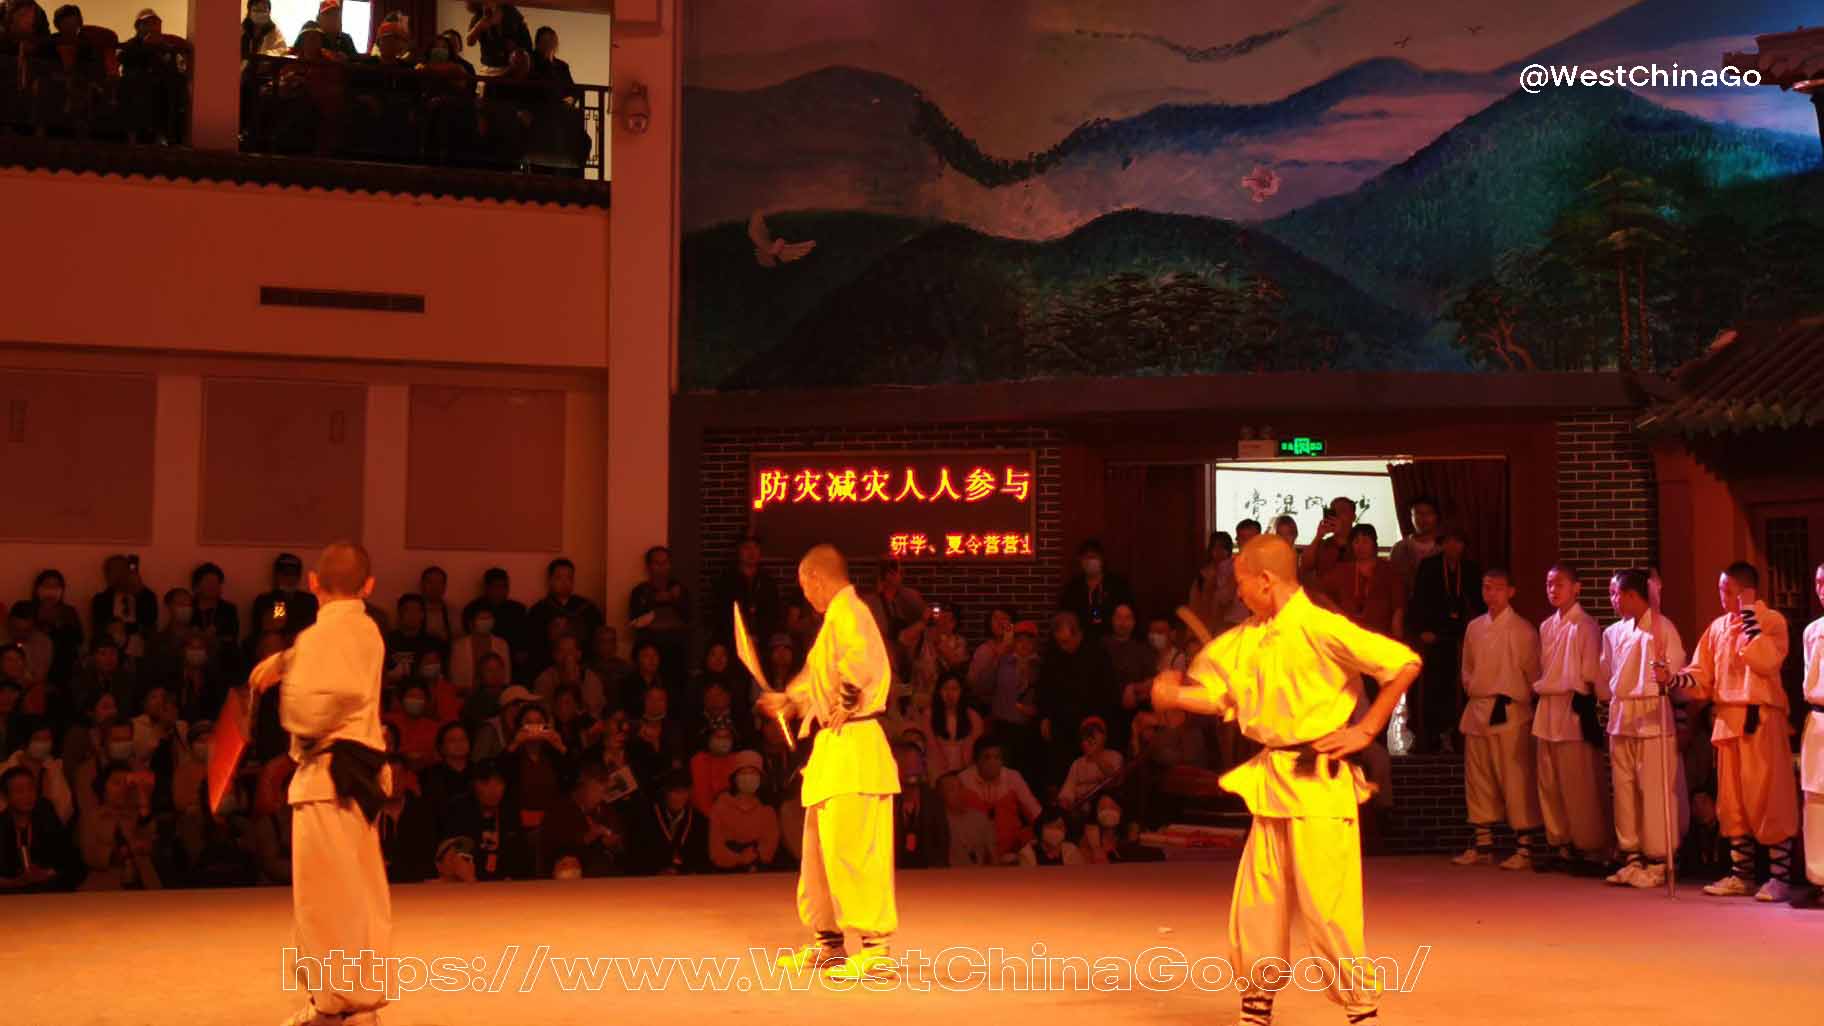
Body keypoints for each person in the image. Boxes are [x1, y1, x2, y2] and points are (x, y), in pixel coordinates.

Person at [1150, 534, 1421, 1026]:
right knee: (1258, 901)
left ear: (1266, 580)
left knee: (1327, 907)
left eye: (1241, 584)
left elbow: (1404, 662)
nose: (1238, 594)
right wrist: (1172, 695)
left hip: (1318, 779)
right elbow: (1218, 696)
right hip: (1273, 778)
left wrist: (1366, 727)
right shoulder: (1249, 636)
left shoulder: (1319, 626)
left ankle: (1362, 1009)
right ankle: (1256, 1007)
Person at [246, 543, 391, 1025]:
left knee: (325, 901)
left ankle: (336, 1005)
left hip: (329, 777)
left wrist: (292, 670)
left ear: (312, 582)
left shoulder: (319, 637)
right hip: (355, 779)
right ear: (368, 586)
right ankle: (354, 1001)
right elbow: (333, 651)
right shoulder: (365, 630)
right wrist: (289, 659)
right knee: (354, 894)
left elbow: (308, 709)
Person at [757, 545, 901, 979]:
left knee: (854, 851)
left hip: (855, 742)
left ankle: (875, 949)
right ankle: (829, 942)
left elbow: (860, 665)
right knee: (819, 852)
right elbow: (816, 679)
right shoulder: (833, 622)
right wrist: (789, 699)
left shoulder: (850, 613)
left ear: (815, 578)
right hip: (833, 749)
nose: (806, 597)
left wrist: (848, 697)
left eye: (805, 587)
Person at [1663, 562, 1799, 902]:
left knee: (1769, 796)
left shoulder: (1772, 622)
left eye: (1727, 591)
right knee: (1733, 802)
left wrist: (1749, 619)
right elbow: (1701, 676)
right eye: (1721, 591)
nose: (1721, 597)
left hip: (1760, 720)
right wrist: (1673, 679)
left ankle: (1780, 878)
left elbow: (1766, 661)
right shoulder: (1717, 628)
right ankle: (1742, 874)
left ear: (1743, 592)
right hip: (1727, 721)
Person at [1598, 568, 1687, 890]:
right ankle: (1631, 854)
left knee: (1653, 790)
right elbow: (1606, 674)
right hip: (1622, 714)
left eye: (1616, 594)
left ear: (1634, 595)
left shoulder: (1663, 629)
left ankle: (1659, 858)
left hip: (1652, 716)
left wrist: (1664, 676)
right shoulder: (1613, 633)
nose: (1613, 600)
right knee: (1624, 790)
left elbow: (1674, 672)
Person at [1452, 568, 1543, 870]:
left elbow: (1533, 675)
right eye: (1486, 588)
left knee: (1515, 778)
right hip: (1478, 707)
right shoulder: (1475, 627)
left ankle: (1525, 847)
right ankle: (1483, 843)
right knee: (1478, 777)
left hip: (1509, 710)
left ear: (1511, 592)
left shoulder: (1523, 631)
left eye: (1497, 588)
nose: (1491, 594)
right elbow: (1467, 667)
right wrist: (1471, 686)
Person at [1530, 563, 1610, 875]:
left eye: (1559, 584)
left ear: (1576, 587)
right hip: (1548, 707)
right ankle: (1560, 843)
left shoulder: (1586, 625)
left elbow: (1590, 671)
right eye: (1549, 584)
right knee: (1549, 781)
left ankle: (1588, 846)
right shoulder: (1547, 626)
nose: (1553, 590)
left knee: (1579, 781)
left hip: (1573, 707)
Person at [1406, 527, 1484, 754]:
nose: (1453, 547)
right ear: (1442, 543)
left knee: (1456, 688)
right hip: (1432, 637)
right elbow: (1418, 601)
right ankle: (1427, 735)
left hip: (1459, 637)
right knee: (1430, 687)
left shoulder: (1470, 569)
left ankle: (1454, 734)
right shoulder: (1429, 567)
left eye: (1458, 542)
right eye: (1448, 542)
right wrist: (1422, 630)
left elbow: (1478, 605)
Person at [955, 737, 1040, 862]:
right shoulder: (963, 780)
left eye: (997, 757)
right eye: (987, 757)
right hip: (975, 851)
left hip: (1012, 849)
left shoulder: (1013, 777)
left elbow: (1034, 811)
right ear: (976, 761)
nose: (993, 762)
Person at [1794, 562, 1824, 909]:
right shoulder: (1812, 630)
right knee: (1815, 798)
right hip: (1817, 718)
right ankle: (1818, 878)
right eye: (1817, 582)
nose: (1821, 588)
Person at [526, 558, 603, 678]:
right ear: (550, 581)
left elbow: (596, 640)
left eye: (569, 578)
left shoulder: (588, 608)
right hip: (549, 669)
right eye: (559, 578)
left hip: (582, 667)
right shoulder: (539, 611)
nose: (565, 582)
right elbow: (534, 647)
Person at [0, 765, 73, 891]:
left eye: (30, 789)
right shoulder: (1, 824)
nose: (27, 795)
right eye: (19, 791)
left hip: (47, 891)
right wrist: (16, 882)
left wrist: (47, 873)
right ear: (6, 797)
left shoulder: (46, 815)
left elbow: (69, 860)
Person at [1322, 525, 1403, 639]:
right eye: (1356, 542)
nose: (1360, 546)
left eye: (1365, 541)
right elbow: (1323, 598)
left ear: (1374, 544)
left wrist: (1397, 639)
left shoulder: (1389, 571)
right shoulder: (1341, 570)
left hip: (1380, 636)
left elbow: (1398, 608)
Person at [629, 545, 692, 688]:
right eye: (657, 563)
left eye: (665, 563)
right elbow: (635, 621)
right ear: (649, 566)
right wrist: (654, 601)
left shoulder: (680, 590)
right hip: (649, 650)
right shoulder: (640, 591)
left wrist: (675, 600)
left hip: (676, 652)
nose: (661, 568)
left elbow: (689, 619)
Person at [709, 750, 780, 871]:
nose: (748, 777)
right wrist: (739, 858)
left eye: (753, 773)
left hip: (759, 872)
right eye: (743, 773)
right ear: (734, 777)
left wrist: (754, 857)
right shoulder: (721, 805)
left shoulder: (767, 810)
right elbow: (715, 847)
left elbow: (770, 846)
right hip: (724, 874)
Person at [712, 535, 782, 649]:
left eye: (755, 548)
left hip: (762, 642)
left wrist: (762, 635)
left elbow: (773, 613)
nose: (751, 552)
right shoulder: (726, 581)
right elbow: (721, 613)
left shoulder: (767, 582)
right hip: (732, 641)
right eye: (747, 548)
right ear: (738, 551)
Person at [631, 771, 708, 874]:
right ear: (665, 792)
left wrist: (684, 871)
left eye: (683, 792)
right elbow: (637, 854)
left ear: (689, 793)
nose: (678, 797)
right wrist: (658, 871)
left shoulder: (699, 822)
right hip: (653, 881)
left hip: (688, 882)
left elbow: (701, 858)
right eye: (674, 792)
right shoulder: (646, 818)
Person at [1058, 539, 1133, 640]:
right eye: (1086, 558)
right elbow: (1064, 615)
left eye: (1093, 557)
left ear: (1101, 559)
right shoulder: (1073, 587)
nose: (1090, 561)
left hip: (1112, 639)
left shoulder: (1117, 585)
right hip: (1081, 640)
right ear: (1080, 560)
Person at [463, 568, 529, 677]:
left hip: (513, 661)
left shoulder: (518, 609)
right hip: (482, 659)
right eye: (497, 587)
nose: (501, 591)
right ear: (487, 588)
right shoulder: (473, 609)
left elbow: (525, 637)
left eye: (505, 587)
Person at [1057, 716, 1124, 809]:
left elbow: (1114, 780)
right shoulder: (1078, 763)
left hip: (1105, 804)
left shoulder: (1115, 756)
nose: (1091, 737)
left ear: (1105, 737)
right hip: (1082, 806)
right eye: (1087, 733)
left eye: (1096, 732)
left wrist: (1095, 756)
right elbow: (1068, 788)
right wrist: (1065, 801)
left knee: (1107, 803)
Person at [1389, 495, 1441, 605]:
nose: (1423, 518)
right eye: (1418, 513)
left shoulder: (1444, 548)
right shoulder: (1399, 548)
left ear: (1436, 516)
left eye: (1428, 513)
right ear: (1411, 517)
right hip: (1407, 608)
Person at [251, 553, 319, 636]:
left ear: (299, 576)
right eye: (285, 574)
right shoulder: (265, 600)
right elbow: (269, 628)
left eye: (293, 574)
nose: (289, 578)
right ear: (277, 576)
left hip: (304, 641)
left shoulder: (309, 601)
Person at [1298, 497, 1358, 589]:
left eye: (1342, 510)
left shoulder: (1360, 542)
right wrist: (1318, 536)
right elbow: (1305, 565)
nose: (1338, 514)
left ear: (1353, 517)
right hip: (1325, 598)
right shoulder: (1324, 544)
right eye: (1334, 511)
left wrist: (1342, 535)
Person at [1017, 807, 1082, 866]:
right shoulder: (1027, 853)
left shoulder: (1071, 851)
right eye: (1050, 827)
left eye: (1059, 827)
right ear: (1040, 829)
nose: (1055, 831)